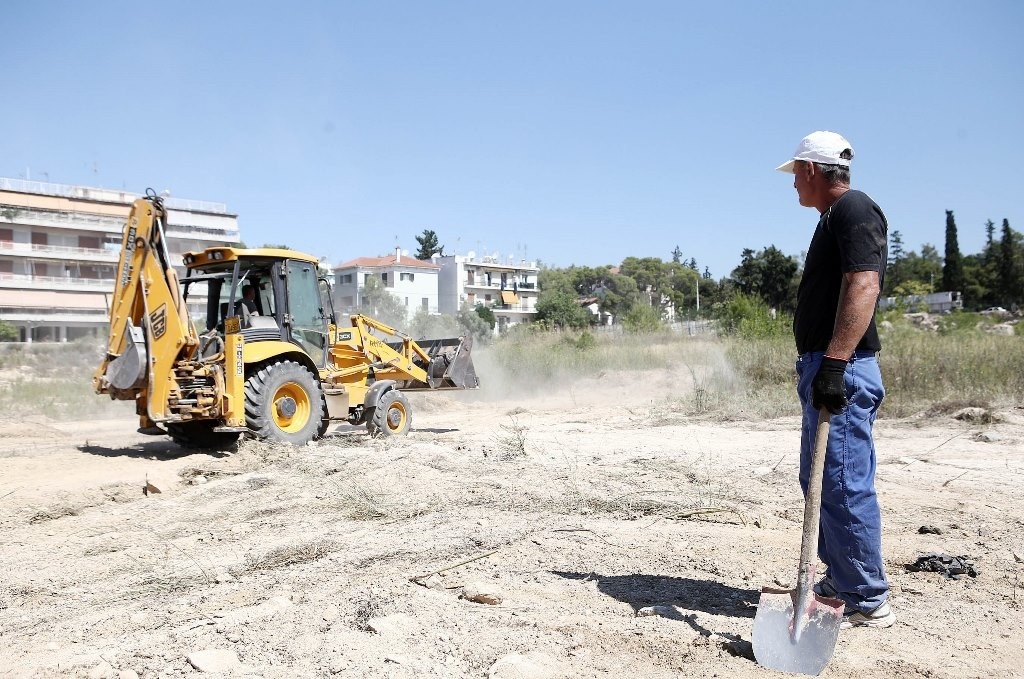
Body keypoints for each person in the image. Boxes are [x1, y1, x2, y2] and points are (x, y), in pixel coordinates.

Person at [777, 131, 895, 629]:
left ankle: (865, 597)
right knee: (821, 480)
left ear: (810, 169)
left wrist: (834, 363)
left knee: (842, 483)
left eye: (795, 176)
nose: (793, 187)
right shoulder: (833, 218)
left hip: (843, 370)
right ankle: (842, 577)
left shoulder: (854, 210)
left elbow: (863, 283)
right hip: (830, 366)